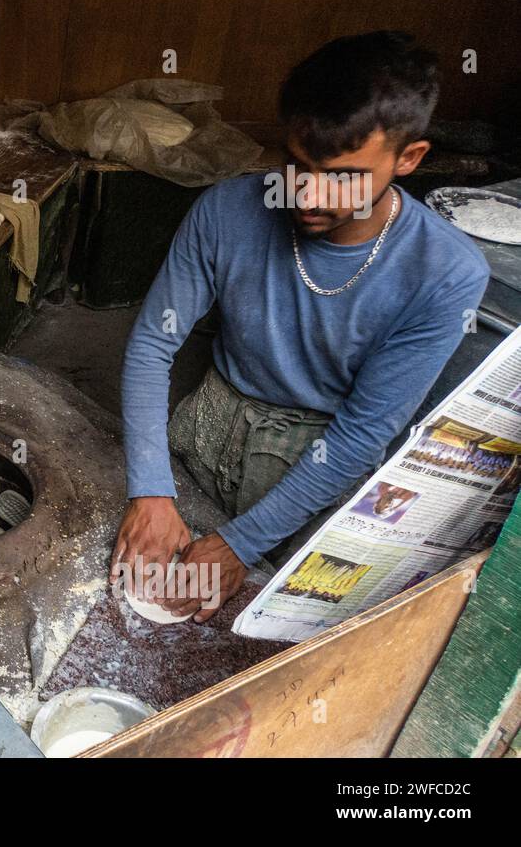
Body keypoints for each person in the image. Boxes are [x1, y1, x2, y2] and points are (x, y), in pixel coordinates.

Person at [111, 31, 490, 622]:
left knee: (259, 621)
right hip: (211, 414)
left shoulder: (445, 273)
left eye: (342, 177)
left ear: (408, 159)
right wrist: (151, 489)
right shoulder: (225, 210)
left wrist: (242, 542)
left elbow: (360, 437)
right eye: (296, 164)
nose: (307, 195)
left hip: (316, 458)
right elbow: (154, 346)